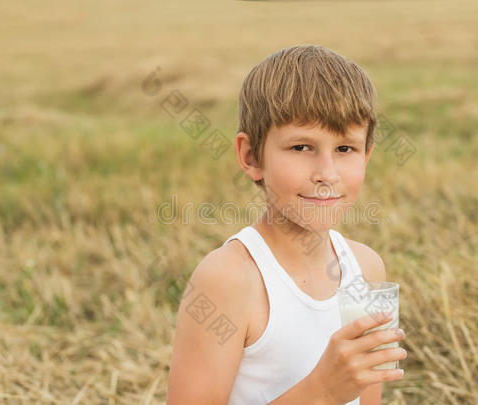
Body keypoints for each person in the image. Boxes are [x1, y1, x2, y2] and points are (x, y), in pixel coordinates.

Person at [166, 44, 407, 405]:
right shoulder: (229, 280)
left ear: (367, 156)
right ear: (251, 156)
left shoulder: (367, 269)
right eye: (301, 148)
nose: (326, 174)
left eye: (345, 150)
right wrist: (321, 392)